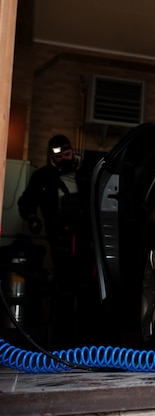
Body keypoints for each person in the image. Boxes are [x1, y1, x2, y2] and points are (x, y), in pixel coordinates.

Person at [18, 134, 95, 346]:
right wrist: (33, 219)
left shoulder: (86, 172)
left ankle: (88, 342)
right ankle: (62, 343)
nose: (64, 159)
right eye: (59, 156)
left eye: (67, 154)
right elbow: (25, 202)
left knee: (88, 290)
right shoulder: (42, 177)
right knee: (63, 292)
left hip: (87, 241)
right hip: (61, 241)